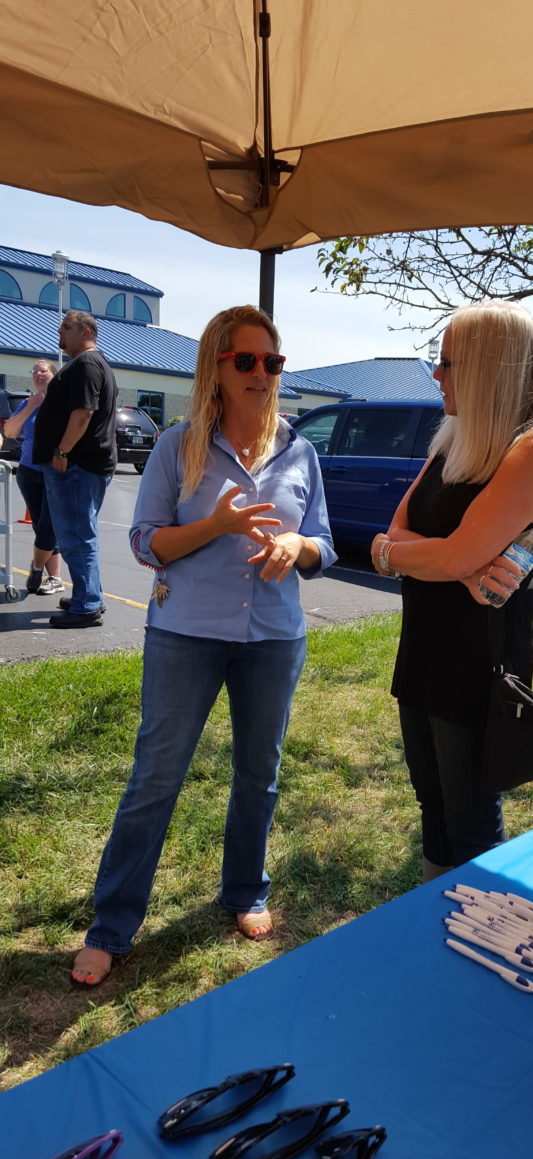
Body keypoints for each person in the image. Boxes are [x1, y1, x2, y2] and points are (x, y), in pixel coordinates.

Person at [70, 304, 336, 987]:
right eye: (245, 360)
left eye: (271, 361)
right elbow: (145, 542)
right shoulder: (178, 445)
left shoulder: (300, 451)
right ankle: (112, 925)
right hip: (185, 634)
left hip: (273, 640)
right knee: (155, 781)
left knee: (260, 774)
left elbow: (324, 546)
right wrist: (215, 525)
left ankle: (245, 890)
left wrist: (295, 543)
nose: (260, 373)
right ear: (216, 368)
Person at [371, 300, 533, 882]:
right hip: (426, 644)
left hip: (479, 663)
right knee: (431, 800)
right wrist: (453, 564)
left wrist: (407, 556)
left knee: (472, 817)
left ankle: (481, 939)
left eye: (448, 363)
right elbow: (398, 531)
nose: (437, 375)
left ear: (490, 368)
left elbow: (412, 547)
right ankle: (439, 923)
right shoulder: (454, 438)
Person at [32, 311, 117, 628]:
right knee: (81, 534)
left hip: (76, 466)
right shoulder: (94, 364)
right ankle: (88, 595)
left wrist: (62, 451)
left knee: (77, 536)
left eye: (66, 327)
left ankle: (86, 606)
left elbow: (83, 413)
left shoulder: (85, 365)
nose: (60, 331)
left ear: (86, 331)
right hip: (82, 466)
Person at [3, 360, 64, 594]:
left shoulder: (62, 402)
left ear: (54, 375)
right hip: (29, 472)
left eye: (44, 370)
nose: (38, 374)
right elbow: (9, 431)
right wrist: (30, 407)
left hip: (56, 472)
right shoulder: (30, 402)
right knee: (41, 526)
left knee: (50, 526)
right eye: (35, 372)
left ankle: (37, 567)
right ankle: (56, 578)